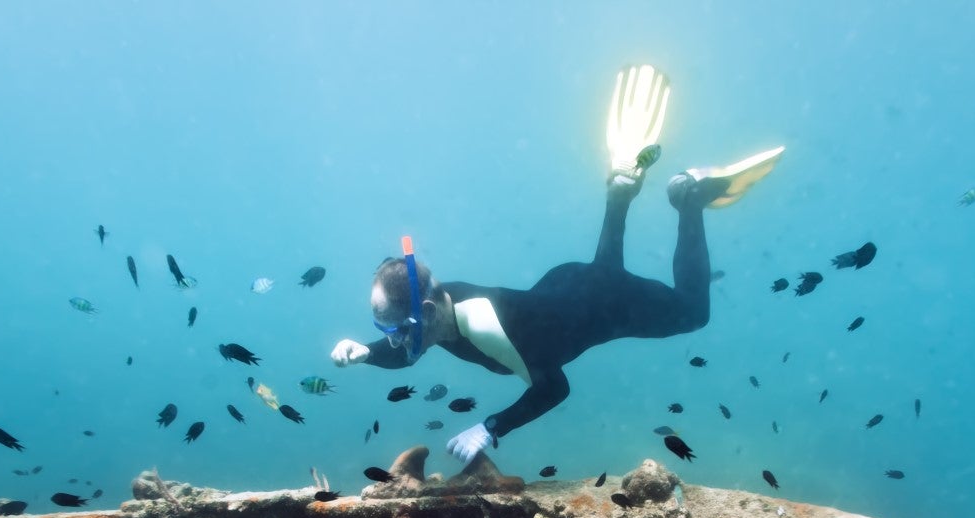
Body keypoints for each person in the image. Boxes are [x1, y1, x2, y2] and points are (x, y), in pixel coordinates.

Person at [329, 65, 782, 464]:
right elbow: (405, 354)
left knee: (692, 314)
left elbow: (553, 388)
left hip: (600, 304)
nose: (398, 342)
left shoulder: (483, 328)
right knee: (603, 270)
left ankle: (689, 199)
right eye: (388, 330)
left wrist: (491, 427)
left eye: (398, 330)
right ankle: (621, 190)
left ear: (427, 312)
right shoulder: (438, 305)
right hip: (564, 292)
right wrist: (366, 352)